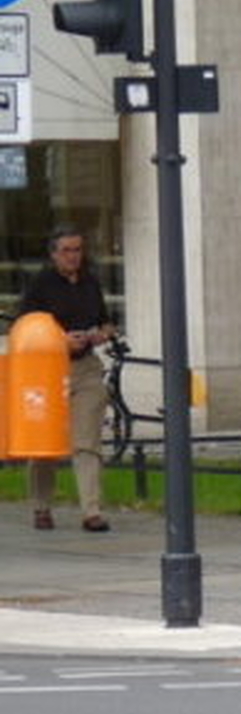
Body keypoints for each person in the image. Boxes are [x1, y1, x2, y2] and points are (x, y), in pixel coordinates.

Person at [17, 224, 115, 532]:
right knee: (44, 444)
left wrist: (101, 335)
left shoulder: (90, 282)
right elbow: (25, 328)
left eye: (78, 250)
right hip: (48, 370)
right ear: (54, 254)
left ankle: (91, 510)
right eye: (67, 251)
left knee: (87, 441)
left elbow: (105, 321)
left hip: (85, 367)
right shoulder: (41, 285)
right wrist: (61, 340)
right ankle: (41, 506)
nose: (73, 256)